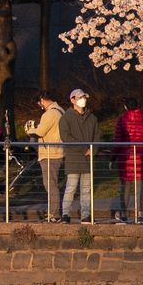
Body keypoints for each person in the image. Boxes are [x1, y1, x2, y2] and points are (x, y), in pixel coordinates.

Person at [59, 88, 99, 224]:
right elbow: (66, 137)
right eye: (80, 97)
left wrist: (93, 150)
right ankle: (65, 213)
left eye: (84, 97)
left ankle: (86, 214)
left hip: (88, 159)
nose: (83, 100)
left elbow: (97, 137)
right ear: (72, 100)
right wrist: (84, 149)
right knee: (71, 188)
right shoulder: (66, 118)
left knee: (86, 190)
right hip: (73, 158)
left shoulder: (92, 118)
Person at [25, 93, 65, 222]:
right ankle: (53, 212)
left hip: (50, 154)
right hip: (57, 152)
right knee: (52, 183)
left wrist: (30, 130)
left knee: (50, 185)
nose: (39, 106)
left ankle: (54, 214)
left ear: (42, 100)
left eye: (39, 103)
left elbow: (41, 132)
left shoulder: (50, 113)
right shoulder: (60, 111)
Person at [113, 99, 143, 225]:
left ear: (125, 107)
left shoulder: (122, 120)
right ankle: (140, 215)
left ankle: (124, 214)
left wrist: (113, 157)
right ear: (138, 106)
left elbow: (118, 140)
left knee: (125, 187)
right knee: (140, 187)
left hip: (126, 156)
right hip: (142, 155)